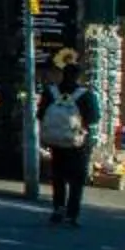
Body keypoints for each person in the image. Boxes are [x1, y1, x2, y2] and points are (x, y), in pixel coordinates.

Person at [40, 51, 101, 226]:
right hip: (77, 143)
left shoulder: (50, 92)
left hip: (56, 142)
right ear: (78, 77)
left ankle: (58, 208)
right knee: (77, 179)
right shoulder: (85, 95)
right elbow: (94, 118)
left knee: (58, 177)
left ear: (62, 74)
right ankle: (72, 215)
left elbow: (40, 114)